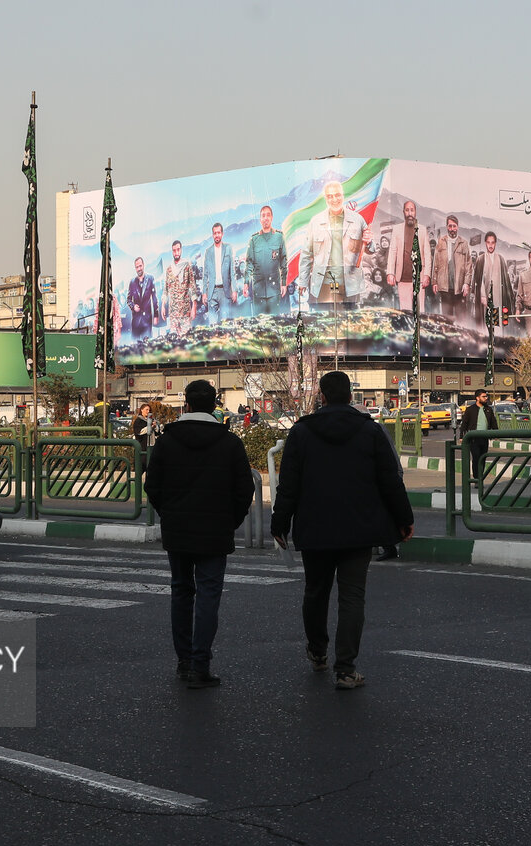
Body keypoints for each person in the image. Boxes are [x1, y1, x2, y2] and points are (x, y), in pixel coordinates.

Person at [270, 371, 414, 690]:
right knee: (352, 597)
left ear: (321, 396)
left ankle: (318, 651)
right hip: (358, 529)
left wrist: (279, 524)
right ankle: (346, 668)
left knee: (316, 591)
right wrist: (404, 518)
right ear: (351, 396)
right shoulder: (370, 431)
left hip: (314, 528)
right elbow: (390, 480)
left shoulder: (302, 432)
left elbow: (288, 485)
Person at [143, 380, 254, 689]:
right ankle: (200, 665)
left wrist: (170, 515)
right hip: (215, 532)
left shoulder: (167, 441)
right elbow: (245, 489)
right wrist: (229, 520)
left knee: (181, 591)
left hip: (177, 530)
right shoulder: (229, 442)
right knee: (208, 595)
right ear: (214, 406)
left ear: (187, 405)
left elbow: (152, 486)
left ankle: (184, 661)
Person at [297, 181, 367, 311]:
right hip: (324, 284)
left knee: (348, 326)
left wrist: (369, 241)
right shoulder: (316, 222)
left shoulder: (358, 220)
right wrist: (302, 281)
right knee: (325, 325)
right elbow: (306, 253)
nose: (334, 199)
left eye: (337, 195)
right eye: (330, 196)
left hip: (350, 285)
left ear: (343, 195)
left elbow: (370, 248)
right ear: (325, 198)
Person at [385, 201, 431, 312]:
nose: (409, 213)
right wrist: (390, 272)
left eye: (412, 210)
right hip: (403, 278)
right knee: (405, 313)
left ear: (415, 212)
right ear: (403, 212)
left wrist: (427, 275)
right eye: (407, 210)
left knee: (419, 313)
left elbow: (427, 254)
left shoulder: (422, 229)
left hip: (418, 279)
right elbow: (392, 251)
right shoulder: (397, 229)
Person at [245, 205, 288, 315]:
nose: (266, 218)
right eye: (263, 216)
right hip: (258, 291)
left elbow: (283, 262)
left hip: (274, 291)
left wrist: (284, 283)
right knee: (258, 326)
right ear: (260, 219)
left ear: (272, 217)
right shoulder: (254, 240)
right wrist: (246, 283)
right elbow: (249, 263)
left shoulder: (279, 237)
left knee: (275, 324)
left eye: (268, 215)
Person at [431, 214, 472, 320]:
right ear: (447, 227)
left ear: (457, 227)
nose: (452, 229)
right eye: (450, 226)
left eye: (454, 226)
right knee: (446, 319)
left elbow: (468, 266)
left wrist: (466, 283)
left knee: (461, 319)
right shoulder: (441, 242)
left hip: (459, 288)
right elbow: (436, 263)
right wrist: (434, 282)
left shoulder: (464, 243)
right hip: (445, 287)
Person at [474, 231, 513, 325]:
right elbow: (479, 280)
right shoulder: (481, 259)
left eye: (492, 243)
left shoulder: (500, 259)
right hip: (485, 299)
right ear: (485, 243)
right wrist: (482, 295)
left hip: (498, 297)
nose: (490, 245)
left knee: (497, 323)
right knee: (485, 324)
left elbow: (506, 281)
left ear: (495, 243)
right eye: (488, 242)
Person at [201, 223, 236, 325]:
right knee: (212, 324)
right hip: (212, 292)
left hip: (225, 291)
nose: (217, 235)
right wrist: (204, 293)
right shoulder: (208, 252)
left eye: (218, 233)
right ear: (212, 235)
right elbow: (205, 274)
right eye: (215, 233)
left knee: (225, 323)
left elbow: (232, 271)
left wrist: (234, 290)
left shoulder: (228, 248)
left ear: (222, 234)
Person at [460, 389, 498, 479]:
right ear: (477, 398)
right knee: (476, 458)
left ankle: (480, 477)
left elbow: (493, 422)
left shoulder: (488, 409)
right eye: (483, 396)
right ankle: (476, 478)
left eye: (486, 396)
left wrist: (496, 434)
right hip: (474, 438)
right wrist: (461, 436)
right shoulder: (470, 410)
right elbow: (464, 424)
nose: (486, 398)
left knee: (483, 458)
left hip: (484, 438)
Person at [163, 240, 196, 337]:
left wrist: (194, 306)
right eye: (174, 250)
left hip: (185, 312)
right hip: (173, 314)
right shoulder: (169, 270)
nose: (176, 253)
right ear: (172, 251)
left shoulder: (187, 266)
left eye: (178, 250)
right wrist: (163, 305)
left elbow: (192, 286)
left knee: (186, 340)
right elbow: (166, 289)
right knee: (175, 343)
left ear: (181, 250)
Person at [127, 257, 159, 341]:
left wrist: (156, 315)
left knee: (148, 347)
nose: (139, 269)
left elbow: (155, 298)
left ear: (143, 265)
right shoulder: (132, 282)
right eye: (137, 267)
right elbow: (129, 300)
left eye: (140, 266)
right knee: (135, 348)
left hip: (147, 321)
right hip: (136, 321)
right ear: (135, 268)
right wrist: (133, 306)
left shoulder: (150, 279)